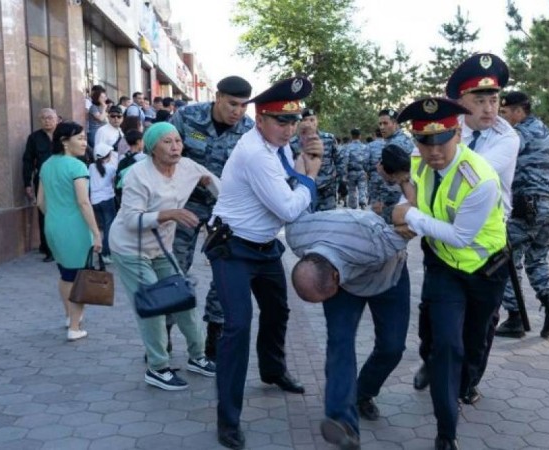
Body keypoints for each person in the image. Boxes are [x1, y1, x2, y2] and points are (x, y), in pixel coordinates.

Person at [207, 77, 323, 449]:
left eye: (293, 121)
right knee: (238, 327)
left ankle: (273, 370)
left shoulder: (277, 146)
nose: (288, 129)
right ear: (260, 120)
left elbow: (289, 182)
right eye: (280, 121)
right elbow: (289, 206)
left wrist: (304, 160)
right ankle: (228, 419)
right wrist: (311, 176)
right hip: (234, 249)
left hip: (264, 246)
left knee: (277, 311)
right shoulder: (256, 153)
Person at [392, 97, 509, 450]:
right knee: (446, 345)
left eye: (441, 140)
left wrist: (409, 217)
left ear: (457, 133)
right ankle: (447, 432)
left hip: (484, 272)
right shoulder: (418, 162)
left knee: (473, 346)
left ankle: (465, 386)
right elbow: (413, 197)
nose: (433, 151)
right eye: (424, 142)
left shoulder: (481, 179)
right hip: (444, 268)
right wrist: (402, 208)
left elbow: (460, 237)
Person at [412, 53, 519, 398]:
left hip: (483, 249)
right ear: (460, 103)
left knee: (479, 326)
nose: (490, 109)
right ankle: (433, 358)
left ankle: (465, 384)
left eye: (494, 100)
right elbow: (419, 162)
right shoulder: (440, 128)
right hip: (438, 240)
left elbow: (463, 173)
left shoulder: (507, 138)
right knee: (431, 315)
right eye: (479, 101)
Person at [286, 208, 411, 450]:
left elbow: (412, 227)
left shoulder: (375, 243)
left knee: (392, 347)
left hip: (387, 277)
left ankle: (363, 392)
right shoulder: (296, 235)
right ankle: (342, 422)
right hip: (343, 278)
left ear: (334, 277)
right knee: (339, 345)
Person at [108, 122, 219, 391]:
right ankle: (157, 368)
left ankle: (198, 357)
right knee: (154, 307)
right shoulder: (138, 174)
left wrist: (221, 204)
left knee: (184, 299)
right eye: (167, 142)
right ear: (152, 148)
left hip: (161, 247)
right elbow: (132, 220)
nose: (175, 147)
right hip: (130, 247)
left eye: (178, 141)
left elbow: (213, 182)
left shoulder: (187, 167)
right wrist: (171, 214)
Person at [168, 76, 255, 361]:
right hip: (186, 204)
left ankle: (215, 336)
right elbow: (162, 153)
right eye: (232, 104)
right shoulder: (187, 116)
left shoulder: (249, 130)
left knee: (225, 272)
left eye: (243, 106)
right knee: (174, 269)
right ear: (217, 97)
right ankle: (162, 335)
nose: (238, 112)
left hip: (226, 209)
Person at [495, 91, 549, 339]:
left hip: (528, 203)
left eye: (505, 112)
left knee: (507, 258)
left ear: (518, 111)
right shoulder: (542, 129)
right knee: (538, 258)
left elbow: (500, 159)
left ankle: (514, 317)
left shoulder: (520, 133)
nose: (502, 117)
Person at [36, 121, 102, 341]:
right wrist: (96, 232)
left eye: (85, 138)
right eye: (80, 138)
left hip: (53, 225)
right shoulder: (77, 167)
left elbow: (40, 202)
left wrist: (56, 216)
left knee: (65, 275)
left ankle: (68, 317)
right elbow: (84, 203)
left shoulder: (46, 164)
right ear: (65, 142)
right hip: (75, 228)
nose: (85, 143)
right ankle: (74, 327)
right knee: (78, 278)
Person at [23, 108, 59, 262]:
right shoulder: (34, 138)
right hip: (42, 181)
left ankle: (61, 246)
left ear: (56, 119)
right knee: (44, 214)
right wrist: (27, 183)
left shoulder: (63, 135)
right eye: (43, 118)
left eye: (50, 117)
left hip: (62, 180)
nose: (47, 120)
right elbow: (27, 160)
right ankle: (48, 249)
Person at [290, 108, 342, 211]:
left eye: (312, 120)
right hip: (305, 190)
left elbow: (338, 160)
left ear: (317, 121)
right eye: (305, 120)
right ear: (300, 123)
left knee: (329, 222)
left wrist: (342, 182)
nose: (309, 123)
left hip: (327, 191)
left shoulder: (329, 139)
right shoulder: (293, 143)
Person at [369, 108, 414, 223]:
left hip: (393, 199)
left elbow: (393, 177)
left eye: (385, 123)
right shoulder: (395, 140)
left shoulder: (395, 145)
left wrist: (381, 201)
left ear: (395, 124)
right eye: (380, 124)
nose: (382, 127)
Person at [89, 143, 118, 264]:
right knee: (108, 228)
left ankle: (101, 252)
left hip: (94, 201)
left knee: (102, 228)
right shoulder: (111, 168)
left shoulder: (90, 166)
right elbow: (114, 182)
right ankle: (106, 254)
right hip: (107, 200)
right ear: (108, 156)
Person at [342, 128, 369, 209]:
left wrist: (344, 173)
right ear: (360, 136)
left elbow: (345, 160)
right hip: (362, 171)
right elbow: (367, 160)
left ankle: (353, 206)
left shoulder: (348, 147)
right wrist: (367, 171)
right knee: (362, 187)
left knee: (352, 190)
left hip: (351, 172)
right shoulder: (364, 147)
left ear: (351, 136)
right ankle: (362, 203)